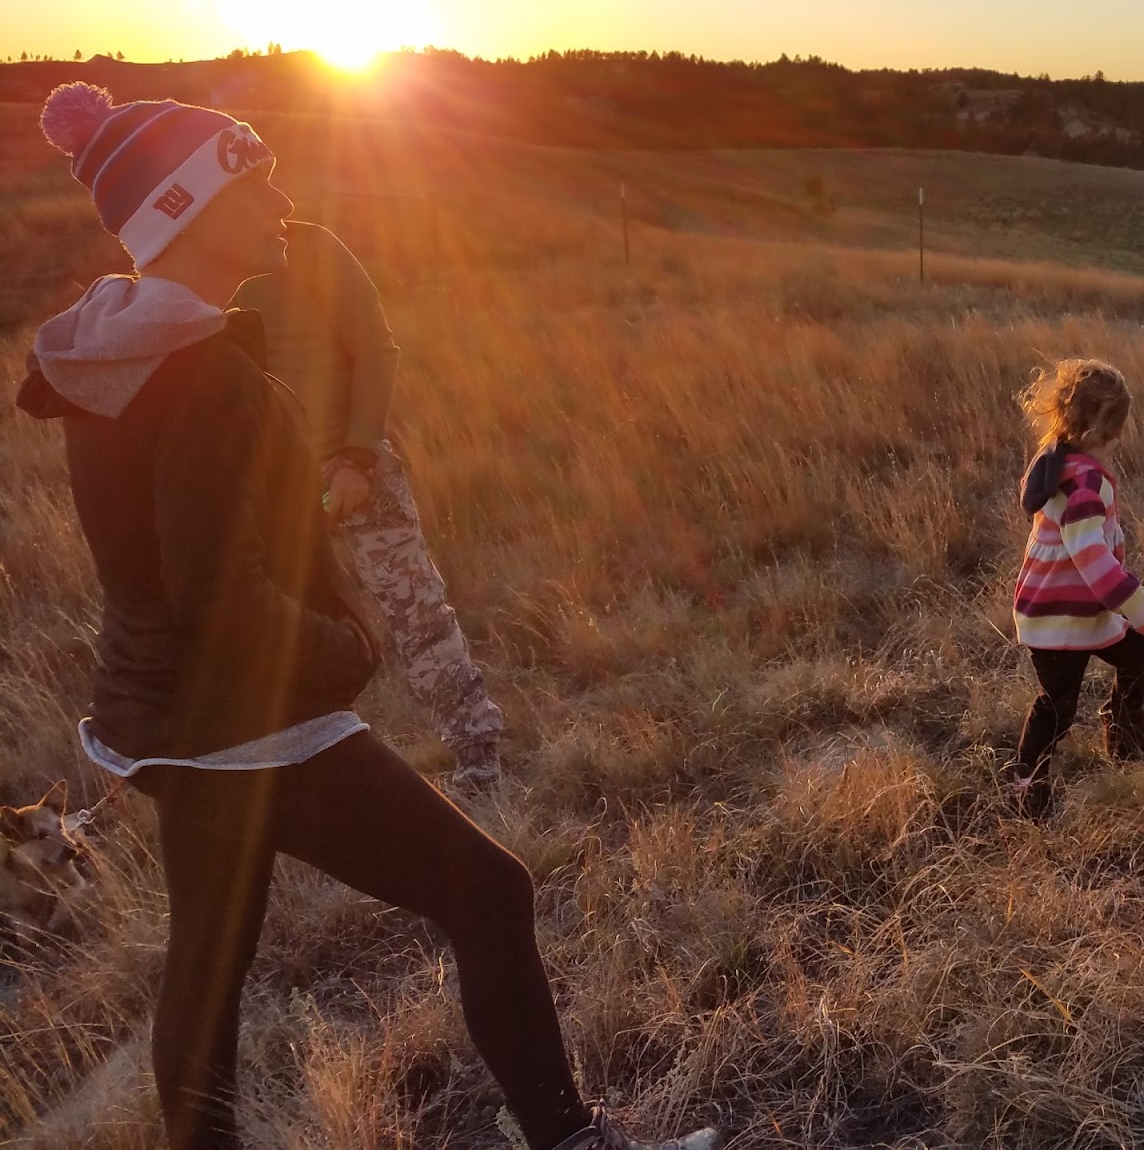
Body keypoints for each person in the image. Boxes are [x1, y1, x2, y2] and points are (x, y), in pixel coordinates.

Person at [16, 84, 712, 1150]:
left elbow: (167, 570)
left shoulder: (119, 355)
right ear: (183, 212)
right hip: (244, 722)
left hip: (162, 720)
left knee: (209, 962)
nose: (281, 202)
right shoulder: (202, 374)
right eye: (255, 183)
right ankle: (571, 1140)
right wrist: (347, 651)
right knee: (489, 892)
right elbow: (220, 592)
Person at [235, 220, 506, 786]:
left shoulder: (308, 247)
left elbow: (375, 349)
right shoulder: (200, 269)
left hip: (349, 472)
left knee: (417, 613)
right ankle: (310, 772)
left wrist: (356, 458)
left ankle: (479, 757)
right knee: (284, 635)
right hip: (265, 491)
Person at [1005, 359, 1144, 815]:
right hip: (1057, 617)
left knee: (1140, 653)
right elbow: (1094, 563)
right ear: (1109, 427)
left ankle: (1126, 735)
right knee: (1058, 706)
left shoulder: (1056, 460)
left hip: (1077, 610)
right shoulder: (1084, 482)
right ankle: (1027, 785)